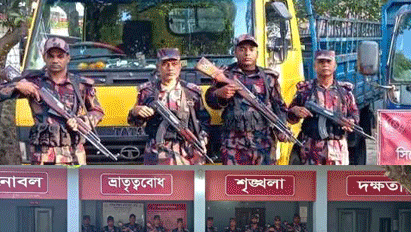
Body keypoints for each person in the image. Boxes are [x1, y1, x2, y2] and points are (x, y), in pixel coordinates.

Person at [0, 37, 104, 164]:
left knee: (76, 184)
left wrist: (83, 121)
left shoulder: (80, 84)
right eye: (51, 56)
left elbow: (97, 111)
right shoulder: (33, 81)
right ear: (44, 57)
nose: (55, 60)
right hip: (42, 156)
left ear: (68, 58)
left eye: (60, 56)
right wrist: (17, 86)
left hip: (73, 155)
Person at [204, 35, 289, 165]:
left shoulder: (268, 77)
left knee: (265, 183)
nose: (247, 53)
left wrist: (282, 129)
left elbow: (279, 106)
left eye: (251, 49)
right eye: (242, 49)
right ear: (235, 52)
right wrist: (220, 94)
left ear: (257, 53)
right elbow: (211, 101)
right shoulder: (225, 75)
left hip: (263, 144)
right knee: (234, 182)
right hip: (233, 145)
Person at [128, 48, 210, 164]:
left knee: (187, 182)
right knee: (159, 181)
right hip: (156, 151)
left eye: (174, 64)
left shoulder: (191, 92)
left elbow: (204, 119)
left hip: (187, 151)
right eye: (165, 64)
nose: (170, 68)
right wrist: (136, 112)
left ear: (180, 66)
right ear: (158, 67)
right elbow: (134, 122)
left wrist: (202, 139)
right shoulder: (148, 91)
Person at [287, 50, 359, 165]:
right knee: (312, 181)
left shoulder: (344, 92)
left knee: (337, 182)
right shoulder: (305, 90)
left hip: (337, 148)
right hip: (311, 148)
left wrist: (351, 122)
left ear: (334, 66)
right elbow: (289, 116)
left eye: (328, 61)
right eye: (321, 62)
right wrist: (295, 111)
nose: (325, 65)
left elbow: (354, 114)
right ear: (315, 66)